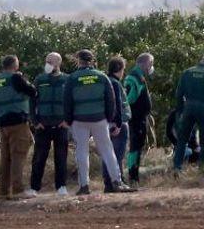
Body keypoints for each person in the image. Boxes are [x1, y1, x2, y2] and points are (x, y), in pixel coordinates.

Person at [63, 49, 135, 195]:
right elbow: (111, 100)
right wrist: (110, 119)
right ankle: (117, 182)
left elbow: (67, 102)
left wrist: (69, 120)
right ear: (93, 60)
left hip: (79, 120)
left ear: (78, 61)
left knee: (81, 153)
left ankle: (84, 186)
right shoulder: (102, 77)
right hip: (99, 119)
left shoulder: (72, 78)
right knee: (108, 151)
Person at [0, 55, 37, 201]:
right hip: (17, 121)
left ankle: (4, 192)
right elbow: (32, 91)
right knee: (18, 155)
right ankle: (18, 190)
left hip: (3, 124)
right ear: (14, 65)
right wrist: (24, 79)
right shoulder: (15, 78)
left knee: (6, 158)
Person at [28, 52, 70, 197]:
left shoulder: (67, 79)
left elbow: (72, 102)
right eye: (47, 61)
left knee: (61, 157)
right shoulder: (39, 79)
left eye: (52, 61)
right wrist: (35, 122)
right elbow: (32, 102)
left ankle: (61, 186)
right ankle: (34, 188)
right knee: (39, 158)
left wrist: (67, 121)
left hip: (61, 125)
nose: (49, 64)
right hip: (43, 125)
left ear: (59, 62)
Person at [173, 54, 204, 172]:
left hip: (188, 107)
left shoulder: (187, 72)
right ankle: (203, 167)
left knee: (182, 140)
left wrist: (180, 111)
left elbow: (179, 94)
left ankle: (177, 167)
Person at [124, 53, 154, 188]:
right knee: (135, 147)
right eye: (150, 63)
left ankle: (134, 175)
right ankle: (132, 176)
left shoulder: (139, 76)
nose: (151, 67)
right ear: (144, 64)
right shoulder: (133, 77)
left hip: (140, 117)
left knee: (138, 146)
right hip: (136, 118)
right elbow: (129, 98)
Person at [101, 56, 131, 192]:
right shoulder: (114, 83)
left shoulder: (105, 81)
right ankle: (116, 183)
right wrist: (118, 123)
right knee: (117, 155)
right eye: (123, 69)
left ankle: (110, 183)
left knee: (108, 154)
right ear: (119, 69)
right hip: (118, 124)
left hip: (107, 123)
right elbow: (117, 104)